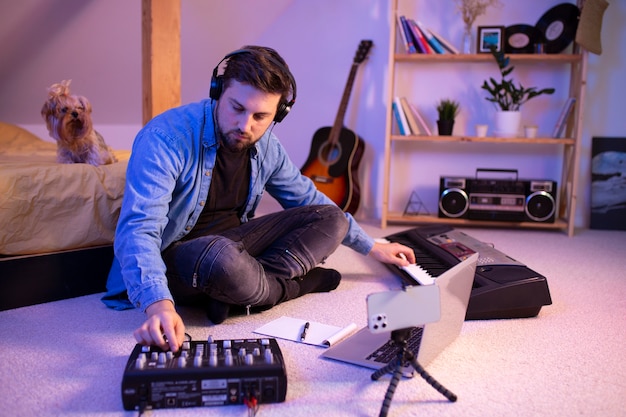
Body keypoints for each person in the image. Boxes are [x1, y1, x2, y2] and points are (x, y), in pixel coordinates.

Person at [102, 45, 415, 352]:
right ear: (218, 91)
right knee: (222, 258)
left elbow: (307, 199)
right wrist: (158, 307)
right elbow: (138, 230)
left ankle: (238, 293)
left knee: (332, 219)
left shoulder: (267, 147)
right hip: (179, 256)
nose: (245, 125)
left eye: (260, 116)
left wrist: (374, 247)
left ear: (278, 114)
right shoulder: (165, 138)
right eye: (237, 108)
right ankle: (293, 286)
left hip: (237, 247)